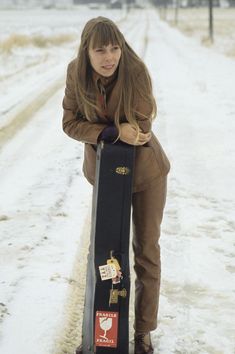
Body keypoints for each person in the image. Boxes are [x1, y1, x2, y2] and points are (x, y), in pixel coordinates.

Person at [62, 16, 170, 354]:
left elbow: (142, 121)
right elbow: (70, 122)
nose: (109, 57)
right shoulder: (75, 73)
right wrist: (110, 132)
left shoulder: (134, 70)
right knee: (105, 254)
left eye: (114, 48)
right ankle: (98, 333)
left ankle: (142, 332)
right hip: (106, 176)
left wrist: (126, 128)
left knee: (146, 252)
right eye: (100, 50)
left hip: (146, 174)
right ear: (86, 51)